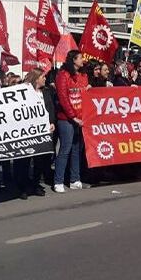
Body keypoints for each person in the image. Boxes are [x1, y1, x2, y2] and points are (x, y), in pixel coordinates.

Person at [13, 69, 55, 199]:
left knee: (40, 161)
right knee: (24, 161)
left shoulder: (46, 92)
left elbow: (50, 108)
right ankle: (22, 187)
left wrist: (52, 122)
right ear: (36, 78)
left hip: (43, 131)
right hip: (28, 131)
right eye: (43, 77)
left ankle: (36, 184)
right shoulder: (24, 93)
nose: (45, 79)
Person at [54, 50, 88, 193]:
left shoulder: (83, 75)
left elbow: (84, 94)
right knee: (65, 149)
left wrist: (89, 90)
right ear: (73, 60)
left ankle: (74, 179)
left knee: (76, 150)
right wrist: (73, 116)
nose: (83, 60)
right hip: (66, 119)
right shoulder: (63, 75)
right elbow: (63, 97)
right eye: (80, 58)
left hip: (81, 118)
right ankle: (58, 181)